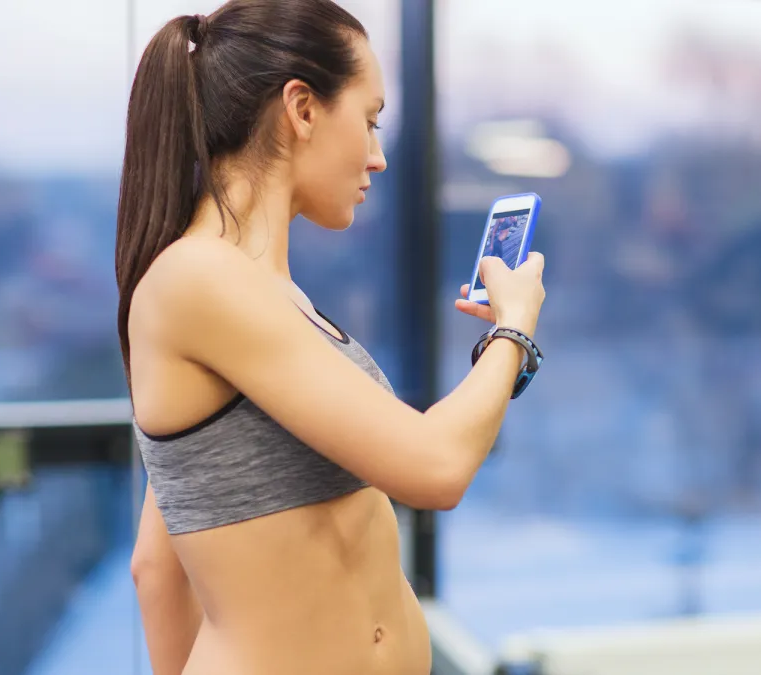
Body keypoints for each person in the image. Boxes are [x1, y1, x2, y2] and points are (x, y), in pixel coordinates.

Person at [118, 2, 546, 674]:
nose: (377, 157)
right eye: (370, 120)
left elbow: (156, 566)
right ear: (303, 108)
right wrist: (514, 328)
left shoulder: (258, 294)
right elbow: (435, 467)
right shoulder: (201, 280)